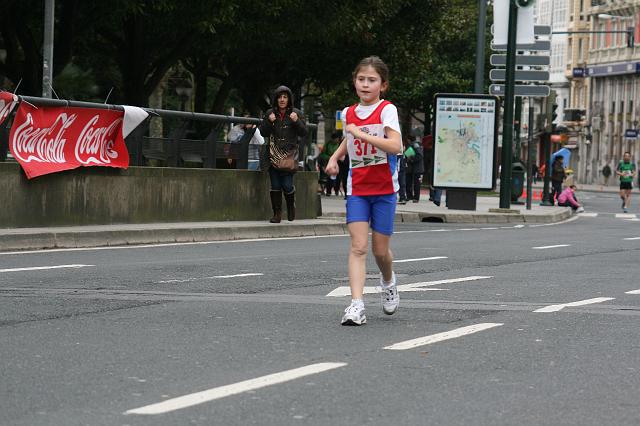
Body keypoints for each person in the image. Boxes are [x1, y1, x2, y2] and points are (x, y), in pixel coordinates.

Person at [325, 56, 402, 326]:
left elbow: (396, 146)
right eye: (361, 79)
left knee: (380, 252)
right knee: (358, 247)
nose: (365, 85)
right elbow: (349, 139)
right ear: (354, 82)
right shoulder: (348, 113)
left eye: (372, 80)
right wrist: (335, 158)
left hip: (384, 189)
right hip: (357, 187)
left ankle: (388, 281)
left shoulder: (387, 110)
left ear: (383, 85)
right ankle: (356, 305)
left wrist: (361, 135)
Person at [259, 86, 308, 223]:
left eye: (285, 97)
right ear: (276, 99)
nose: (282, 100)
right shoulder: (270, 113)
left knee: (287, 185)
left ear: (289, 99)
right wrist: (270, 121)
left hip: (289, 155)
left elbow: (304, 132)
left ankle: (291, 207)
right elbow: (263, 132)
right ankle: (277, 214)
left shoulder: (296, 112)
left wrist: (296, 120)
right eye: (279, 97)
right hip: (273, 155)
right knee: (275, 185)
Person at [405, 135, 424, 203]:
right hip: (413, 168)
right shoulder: (414, 145)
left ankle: (415, 198)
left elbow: (419, 155)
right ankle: (411, 196)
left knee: (416, 183)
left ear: (409, 140)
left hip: (417, 168)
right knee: (410, 182)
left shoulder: (415, 145)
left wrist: (412, 159)